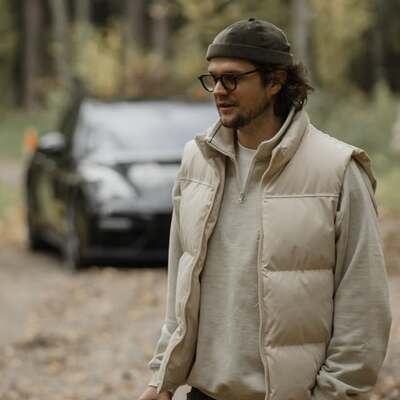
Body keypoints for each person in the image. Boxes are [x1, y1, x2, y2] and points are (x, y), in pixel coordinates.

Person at [138, 18, 392, 400]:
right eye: (213, 79)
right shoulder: (197, 161)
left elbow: (364, 307)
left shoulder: (337, 170)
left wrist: (333, 395)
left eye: (232, 79)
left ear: (275, 81)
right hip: (203, 394)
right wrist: (162, 379)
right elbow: (180, 288)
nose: (218, 91)